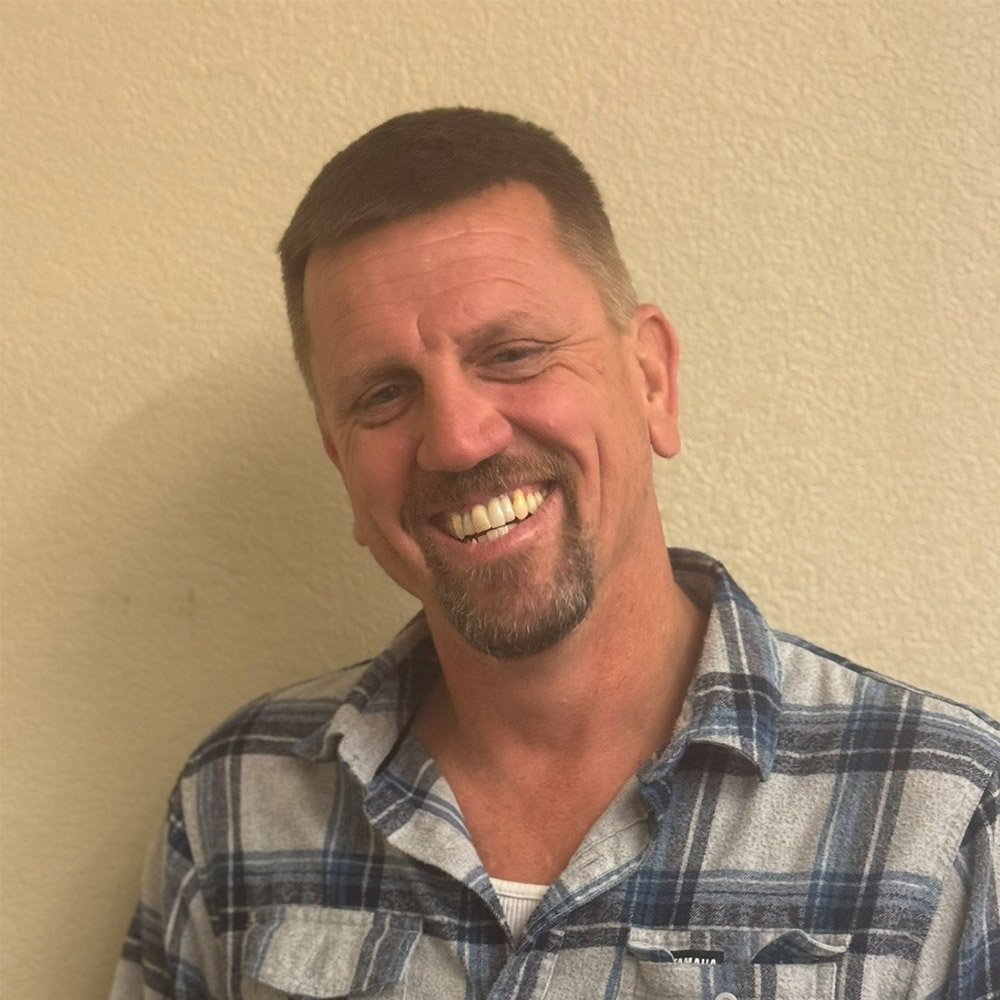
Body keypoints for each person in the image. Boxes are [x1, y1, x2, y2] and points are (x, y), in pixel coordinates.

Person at [111, 108, 999, 1000]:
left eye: (516, 353)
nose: (457, 439)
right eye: (384, 395)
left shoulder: (947, 822)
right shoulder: (236, 807)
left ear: (651, 380)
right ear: (342, 462)